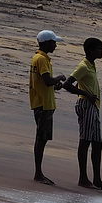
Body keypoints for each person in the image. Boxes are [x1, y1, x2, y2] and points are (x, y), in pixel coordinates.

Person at [63, 38, 102, 191]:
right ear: (91, 50)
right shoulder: (83, 66)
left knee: (98, 143)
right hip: (85, 105)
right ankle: (83, 178)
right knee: (85, 141)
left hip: (94, 107)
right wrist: (86, 94)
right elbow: (67, 84)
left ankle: (97, 179)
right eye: (99, 48)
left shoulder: (92, 65)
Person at [30, 30, 67, 185]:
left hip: (43, 102)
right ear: (46, 43)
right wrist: (59, 77)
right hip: (43, 104)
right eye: (54, 42)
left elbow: (45, 82)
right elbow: (47, 80)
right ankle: (38, 173)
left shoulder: (39, 58)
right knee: (41, 138)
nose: (56, 45)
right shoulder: (42, 59)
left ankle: (39, 172)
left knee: (42, 138)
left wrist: (55, 85)